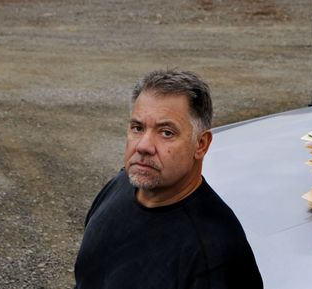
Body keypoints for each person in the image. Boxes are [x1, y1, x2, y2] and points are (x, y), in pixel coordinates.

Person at [74, 69, 263, 288]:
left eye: (166, 133)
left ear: (201, 144)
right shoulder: (119, 186)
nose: (143, 146)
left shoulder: (214, 254)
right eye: (137, 128)